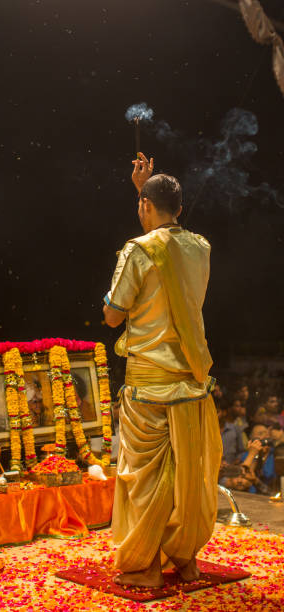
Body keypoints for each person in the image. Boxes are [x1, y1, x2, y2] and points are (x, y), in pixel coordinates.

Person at [103, 153, 222, 588]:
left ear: (146, 207)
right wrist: (147, 192)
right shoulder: (201, 246)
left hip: (149, 384)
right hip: (191, 381)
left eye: (142, 204)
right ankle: (185, 560)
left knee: (148, 477)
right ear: (182, 207)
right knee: (189, 477)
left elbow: (113, 315)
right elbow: (169, 239)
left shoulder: (137, 251)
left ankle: (143, 565)